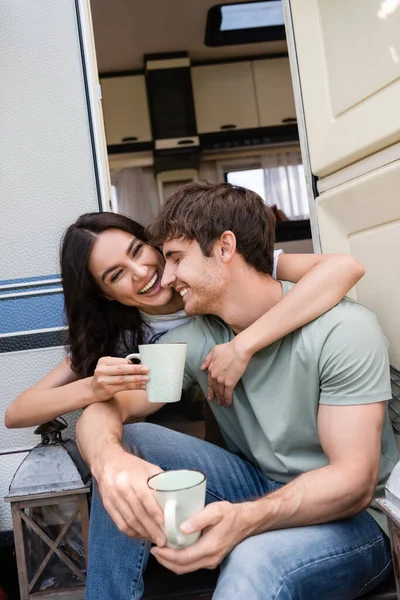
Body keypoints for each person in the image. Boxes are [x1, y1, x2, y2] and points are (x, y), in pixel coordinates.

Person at [77, 181, 398, 600]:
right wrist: (108, 461)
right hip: (260, 485)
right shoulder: (198, 338)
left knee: (254, 557)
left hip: (354, 522)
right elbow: (107, 408)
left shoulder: (343, 329)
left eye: (175, 258)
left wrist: (245, 520)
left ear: (225, 248)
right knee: (131, 443)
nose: (167, 278)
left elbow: (353, 484)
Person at [5, 211, 364, 428]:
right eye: (116, 275)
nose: (142, 272)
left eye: (138, 251)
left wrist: (243, 345)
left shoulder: (215, 269)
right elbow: (17, 412)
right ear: (104, 294)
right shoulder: (127, 337)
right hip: (223, 435)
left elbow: (344, 268)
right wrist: (93, 389)